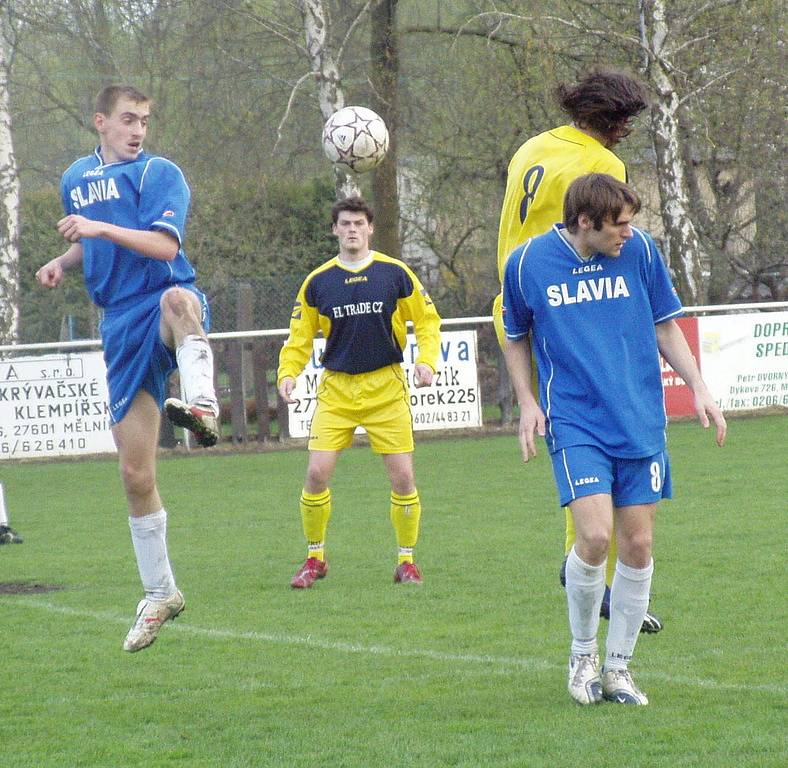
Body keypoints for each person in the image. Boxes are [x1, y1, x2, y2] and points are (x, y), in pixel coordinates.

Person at [501, 174, 726, 705]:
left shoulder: (641, 251)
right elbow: (515, 334)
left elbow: (666, 325)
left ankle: (619, 668)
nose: (629, 233)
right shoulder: (527, 263)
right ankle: (583, 656)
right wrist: (527, 402)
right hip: (575, 419)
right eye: (620, 225)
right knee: (595, 537)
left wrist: (699, 389)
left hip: (639, 417)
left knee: (640, 544)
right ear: (585, 222)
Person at [35, 84, 220, 652]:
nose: (138, 130)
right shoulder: (75, 179)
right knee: (135, 476)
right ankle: (160, 592)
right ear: (101, 122)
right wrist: (63, 260)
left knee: (179, 303)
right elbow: (95, 244)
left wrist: (97, 230)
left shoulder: (162, 173)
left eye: (144, 121)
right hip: (117, 320)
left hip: (161, 297)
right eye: (128, 120)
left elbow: (164, 249)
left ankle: (204, 404)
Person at [494, 68, 661, 631]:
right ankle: (589, 569)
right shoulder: (603, 165)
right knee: (588, 422)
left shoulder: (533, 146)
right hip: (562, 303)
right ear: (614, 121)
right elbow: (604, 234)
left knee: (575, 424)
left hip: (517, 294)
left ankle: (594, 570)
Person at [278, 196, 441, 588]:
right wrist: (288, 373)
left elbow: (428, 320)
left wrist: (427, 361)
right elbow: (299, 337)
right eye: (345, 224)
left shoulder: (395, 273)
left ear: (370, 228)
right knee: (316, 473)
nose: (352, 229)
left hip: (386, 386)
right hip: (337, 390)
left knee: (403, 478)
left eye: (359, 223)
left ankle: (407, 561)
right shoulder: (318, 282)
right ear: (335, 230)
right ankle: (315, 557)